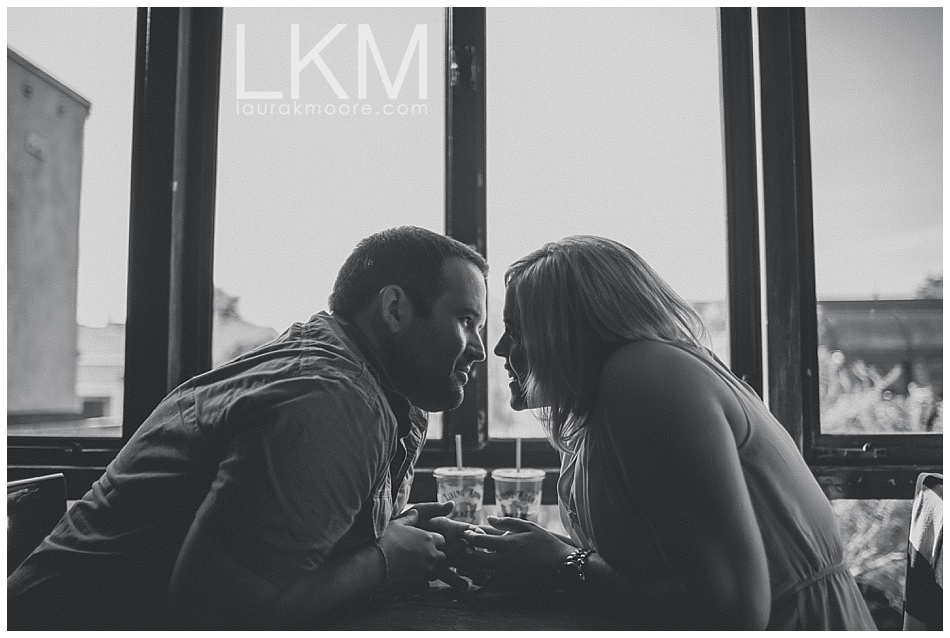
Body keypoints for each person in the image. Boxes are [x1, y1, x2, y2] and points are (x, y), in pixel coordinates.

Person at [7, 226, 489, 630]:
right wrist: (384, 563)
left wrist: (397, 535)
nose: (480, 350)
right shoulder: (334, 399)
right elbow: (213, 616)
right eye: (466, 320)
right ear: (395, 309)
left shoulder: (360, 381)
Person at [462, 235, 876, 630]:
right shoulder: (608, 405)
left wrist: (559, 567)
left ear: (569, 332)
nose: (498, 349)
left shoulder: (645, 375)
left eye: (516, 331)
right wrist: (540, 556)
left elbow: (735, 614)